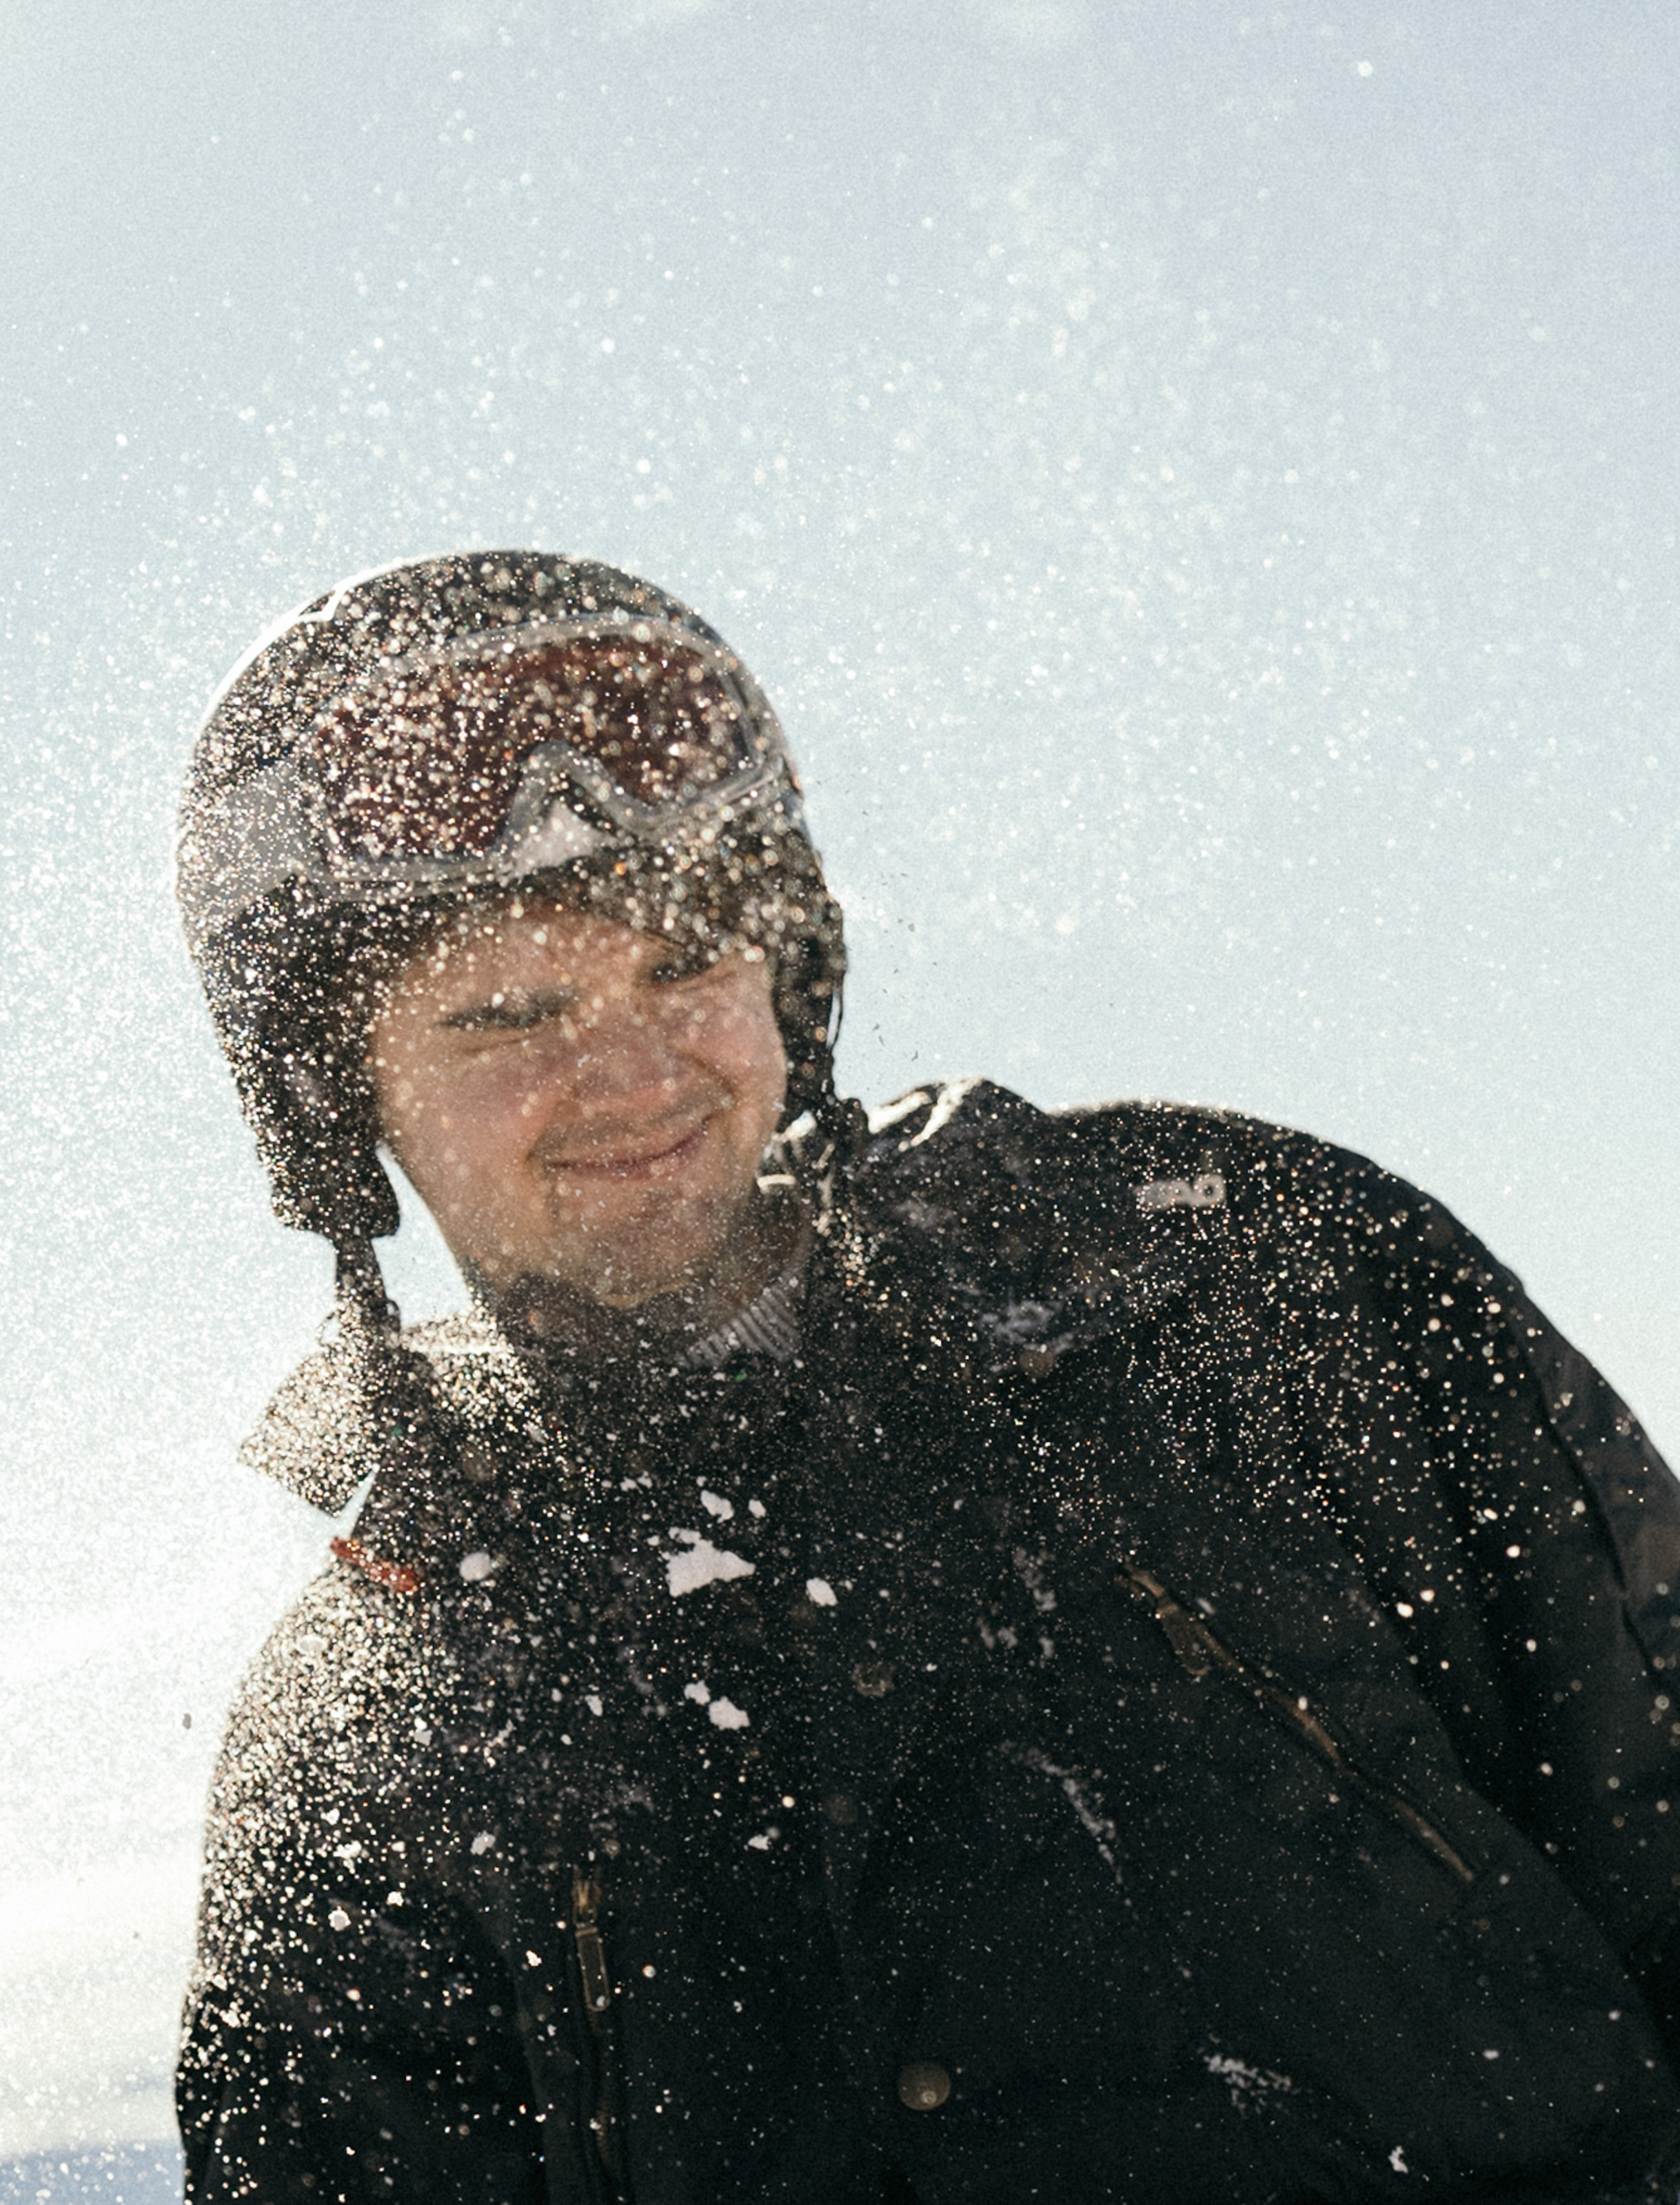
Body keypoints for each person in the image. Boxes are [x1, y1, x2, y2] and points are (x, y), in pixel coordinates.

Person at [174, 549, 1680, 2205]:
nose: (626, 1070)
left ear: (787, 972)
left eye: (683, 966)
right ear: (337, 1106)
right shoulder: (378, 1712)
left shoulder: (1243, 1278)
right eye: (505, 1019)